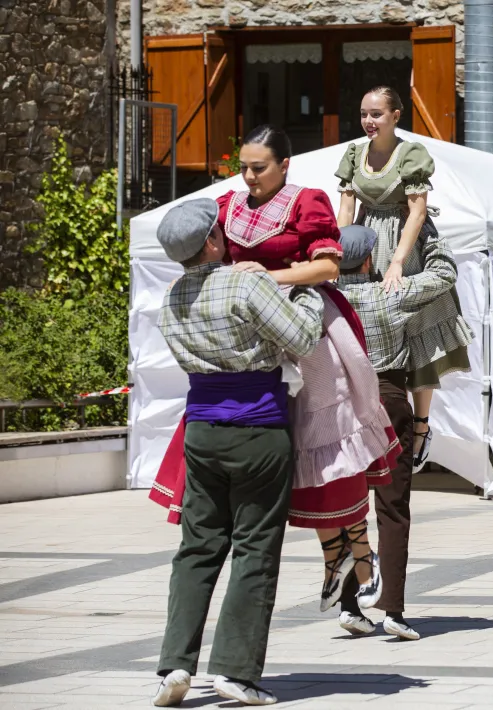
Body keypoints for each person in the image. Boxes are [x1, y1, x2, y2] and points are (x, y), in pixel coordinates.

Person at [149, 125, 400, 617]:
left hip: (306, 319)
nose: (248, 176)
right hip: (247, 326)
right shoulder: (226, 204)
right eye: (242, 166)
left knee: (323, 438)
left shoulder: (308, 201)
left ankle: (358, 559)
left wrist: (269, 275)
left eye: (258, 167)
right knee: (286, 443)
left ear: (285, 165)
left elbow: (327, 269)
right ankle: (339, 561)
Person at [151, 199, 324, 707]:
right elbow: (303, 338)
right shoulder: (247, 283)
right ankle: (235, 670)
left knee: (197, 548)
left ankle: (174, 666)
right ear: (211, 242)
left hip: (201, 431)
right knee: (253, 548)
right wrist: (308, 292)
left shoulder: (171, 296)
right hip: (257, 429)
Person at [336, 85, 474, 473]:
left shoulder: (410, 153)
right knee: (366, 329)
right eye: (364, 113)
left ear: (396, 116)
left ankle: (421, 424)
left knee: (416, 326)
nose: (368, 120)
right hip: (366, 237)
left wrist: (398, 261)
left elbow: (416, 212)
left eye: (376, 113)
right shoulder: (353, 153)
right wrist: (338, 253)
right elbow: (347, 206)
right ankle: (373, 422)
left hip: (404, 239)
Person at [333, 224, 460, 640]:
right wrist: (427, 232)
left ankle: (350, 605)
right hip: (388, 399)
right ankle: (395, 610)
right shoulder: (389, 292)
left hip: (341, 404)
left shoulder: (323, 300)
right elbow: (444, 273)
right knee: (393, 506)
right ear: (370, 259)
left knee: (347, 509)